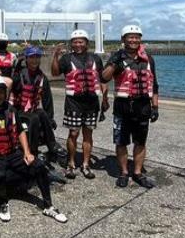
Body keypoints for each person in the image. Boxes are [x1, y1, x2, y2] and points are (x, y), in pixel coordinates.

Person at [0, 75, 68, 224]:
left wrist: (27, 152)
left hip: (12, 153)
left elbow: (20, 131)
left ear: (5, 93)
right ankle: (2, 203)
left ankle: (48, 206)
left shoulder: (11, 110)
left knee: (39, 166)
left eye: (0, 92)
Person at [101, 24, 160, 189]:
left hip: (142, 106)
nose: (134, 40)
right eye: (130, 37)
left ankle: (138, 173)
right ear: (123, 39)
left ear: (140, 39)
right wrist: (114, 62)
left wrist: (155, 107)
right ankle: (124, 172)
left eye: (136, 37)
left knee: (140, 142)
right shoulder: (117, 58)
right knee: (121, 142)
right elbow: (104, 78)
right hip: (122, 106)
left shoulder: (149, 59)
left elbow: (154, 85)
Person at [51, 29, 108, 180]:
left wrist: (105, 99)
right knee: (74, 133)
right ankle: (71, 164)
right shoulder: (66, 59)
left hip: (92, 103)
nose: (78, 44)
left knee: (88, 134)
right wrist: (56, 55)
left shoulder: (95, 59)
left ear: (87, 43)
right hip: (73, 102)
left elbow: (102, 79)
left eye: (81, 41)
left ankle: (86, 164)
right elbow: (55, 73)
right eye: (75, 42)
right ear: (71, 43)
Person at [11, 46, 63, 162]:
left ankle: (52, 145)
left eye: (37, 57)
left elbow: (47, 100)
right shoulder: (19, 74)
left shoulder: (42, 77)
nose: (35, 60)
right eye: (32, 57)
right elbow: (12, 88)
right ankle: (33, 151)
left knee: (43, 114)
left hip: (31, 110)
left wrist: (51, 119)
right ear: (26, 59)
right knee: (34, 118)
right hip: (18, 111)